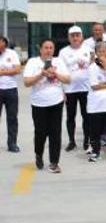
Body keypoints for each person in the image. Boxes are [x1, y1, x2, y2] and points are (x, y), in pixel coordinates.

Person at [23, 38, 71, 173]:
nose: (48, 50)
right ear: (41, 49)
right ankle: (38, 154)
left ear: (54, 50)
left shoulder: (58, 62)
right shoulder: (33, 62)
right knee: (41, 133)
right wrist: (41, 74)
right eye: (46, 47)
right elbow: (26, 82)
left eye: (51, 48)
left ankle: (54, 162)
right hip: (39, 103)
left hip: (56, 102)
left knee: (55, 133)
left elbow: (68, 79)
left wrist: (55, 73)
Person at [59, 25, 92, 151]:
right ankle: (72, 141)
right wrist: (62, 91)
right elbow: (60, 72)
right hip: (70, 89)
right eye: (72, 35)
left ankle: (86, 140)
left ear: (82, 36)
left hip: (86, 89)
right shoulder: (63, 52)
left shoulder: (89, 50)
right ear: (69, 37)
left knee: (86, 116)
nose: (75, 38)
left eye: (77, 35)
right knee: (70, 117)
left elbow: (94, 66)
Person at [0, 36, 21, 152]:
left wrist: (2, 72)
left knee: (12, 118)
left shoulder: (12, 54)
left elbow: (18, 70)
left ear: (4, 43)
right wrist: (9, 71)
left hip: (11, 89)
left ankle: (12, 143)